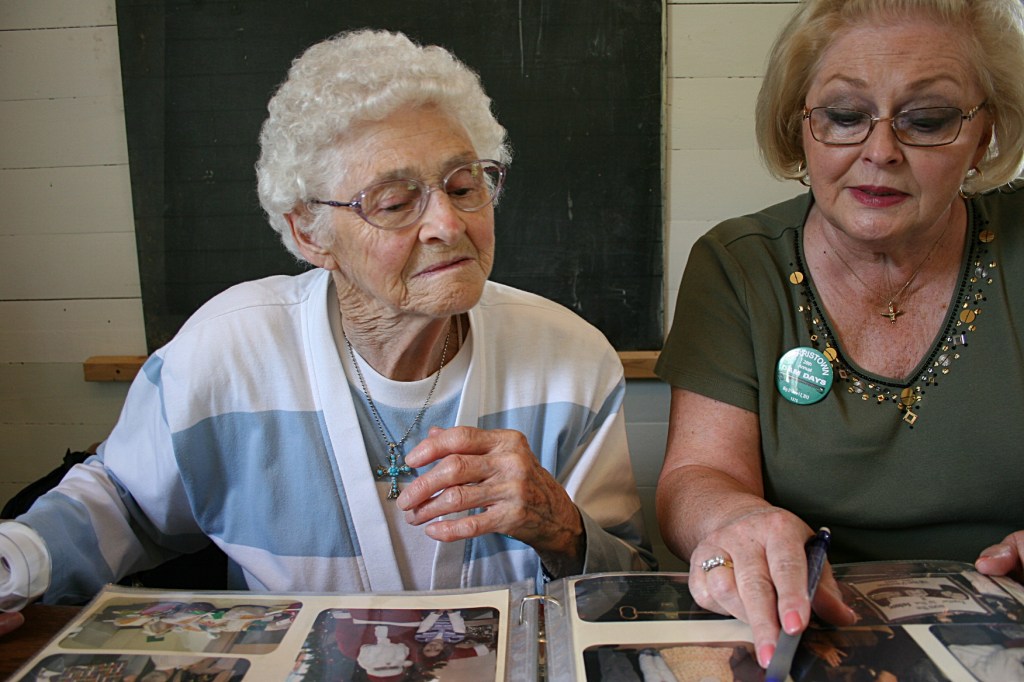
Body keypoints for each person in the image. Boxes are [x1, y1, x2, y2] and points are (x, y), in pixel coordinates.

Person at [0, 29, 654, 621]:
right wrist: (13, 566)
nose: (448, 225)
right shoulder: (229, 351)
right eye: (395, 202)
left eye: (463, 186)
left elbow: (632, 589)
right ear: (309, 232)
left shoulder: (571, 360)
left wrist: (560, 525)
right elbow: (119, 502)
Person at [654, 0, 1024, 670]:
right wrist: (729, 522)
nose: (879, 152)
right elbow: (697, 475)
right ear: (800, 129)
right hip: (811, 631)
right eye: (846, 117)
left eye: (928, 121)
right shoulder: (741, 264)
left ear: (984, 134)